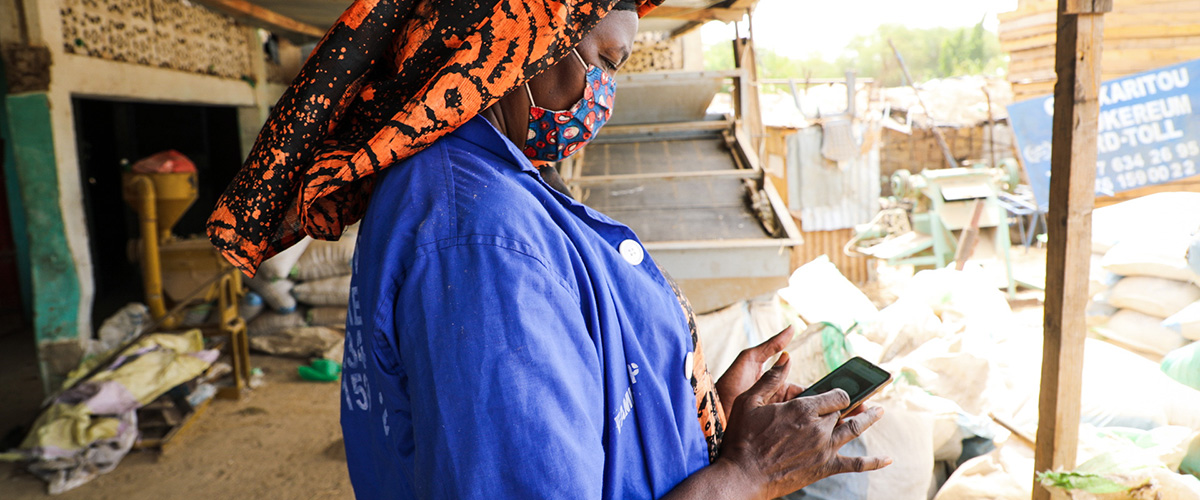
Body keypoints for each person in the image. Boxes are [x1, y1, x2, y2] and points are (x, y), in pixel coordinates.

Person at [207, 1, 890, 499]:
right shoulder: (479, 237)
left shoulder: (485, 186)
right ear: (527, 36)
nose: (605, 98)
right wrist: (749, 475)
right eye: (602, 61)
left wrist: (689, 406)